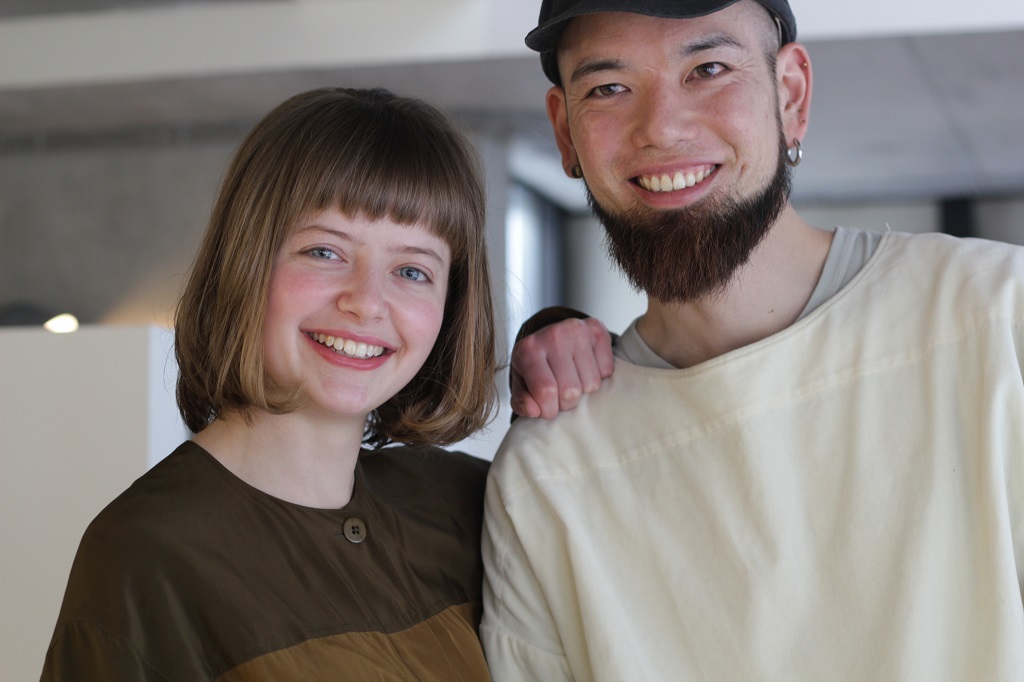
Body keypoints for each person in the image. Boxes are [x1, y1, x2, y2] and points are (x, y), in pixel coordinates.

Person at [483, 1, 1024, 680]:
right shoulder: (547, 473)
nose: (662, 128)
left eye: (708, 68)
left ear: (790, 94)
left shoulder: (999, 318)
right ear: (565, 132)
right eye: (609, 88)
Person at [40, 86, 605, 681]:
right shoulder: (143, 554)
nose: (366, 302)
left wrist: (561, 339)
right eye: (324, 252)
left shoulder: (465, 501)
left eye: (412, 270)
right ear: (247, 258)